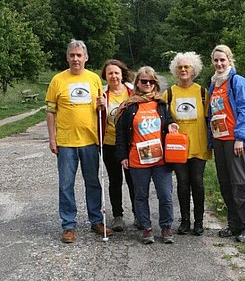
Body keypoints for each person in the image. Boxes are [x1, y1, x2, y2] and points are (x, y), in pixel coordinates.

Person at [45, 39, 113, 243]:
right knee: (66, 184)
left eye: (79, 55)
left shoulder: (93, 79)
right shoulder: (58, 80)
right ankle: (68, 225)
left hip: (90, 140)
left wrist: (103, 104)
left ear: (86, 58)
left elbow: (101, 110)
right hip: (66, 141)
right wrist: (52, 138)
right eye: (72, 55)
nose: (75, 59)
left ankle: (96, 221)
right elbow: (50, 112)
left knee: (93, 182)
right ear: (67, 57)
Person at [115, 66, 178, 244]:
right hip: (137, 159)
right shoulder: (129, 106)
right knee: (140, 195)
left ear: (156, 84)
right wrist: (122, 156)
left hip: (161, 159)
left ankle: (166, 227)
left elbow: (169, 123)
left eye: (151, 81)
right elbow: (121, 134)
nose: (148, 84)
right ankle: (146, 227)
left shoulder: (161, 104)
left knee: (165, 194)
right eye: (144, 81)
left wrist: (171, 126)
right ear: (137, 83)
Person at [209, 44, 245, 243]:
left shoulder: (237, 81)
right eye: (216, 60)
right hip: (220, 141)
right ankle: (234, 224)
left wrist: (240, 138)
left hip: (235, 141)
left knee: (240, 185)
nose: (219, 63)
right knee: (226, 185)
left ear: (230, 60)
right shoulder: (214, 84)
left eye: (223, 59)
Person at [162, 52, 212, 236]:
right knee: (182, 183)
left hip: (198, 145)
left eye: (187, 67)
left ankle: (199, 222)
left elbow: (209, 119)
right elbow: (163, 119)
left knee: (197, 183)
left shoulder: (202, 92)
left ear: (194, 71)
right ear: (175, 70)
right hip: (178, 148)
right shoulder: (168, 94)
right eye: (180, 67)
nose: (183, 70)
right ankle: (184, 221)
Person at [98, 59, 136, 231]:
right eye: (110, 73)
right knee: (115, 181)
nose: (113, 76)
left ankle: (138, 214)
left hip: (130, 143)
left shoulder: (132, 92)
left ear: (122, 74)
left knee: (133, 180)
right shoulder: (102, 94)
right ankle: (118, 216)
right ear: (105, 76)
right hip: (109, 143)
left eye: (116, 73)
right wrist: (97, 106)